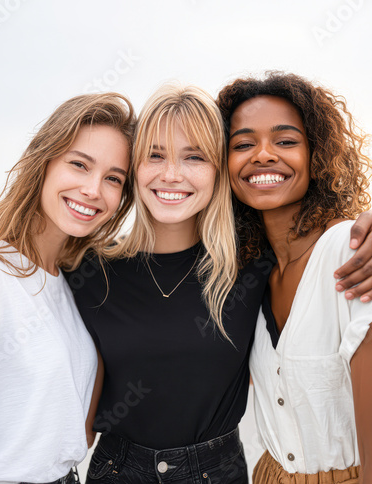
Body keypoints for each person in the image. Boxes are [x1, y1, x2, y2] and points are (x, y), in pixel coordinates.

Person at [68, 82, 372, 484]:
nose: (171, 174)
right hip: (116, 469)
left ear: (218, 168)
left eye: (194, 156)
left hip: (218, 471)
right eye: (154, 155)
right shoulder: (87, 271)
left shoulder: (251, 268)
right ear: (133, 169)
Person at [0, 92, 135, 484]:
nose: (94, 190)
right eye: (79, 165)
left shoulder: (73, 282)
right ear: (43, 163)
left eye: (113, 178)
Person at [217, 71, 372, 483]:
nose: (263, 155)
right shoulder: (249, 273)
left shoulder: (352, 251)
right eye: (243, 144)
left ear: (316, 154)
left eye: (285, 141)